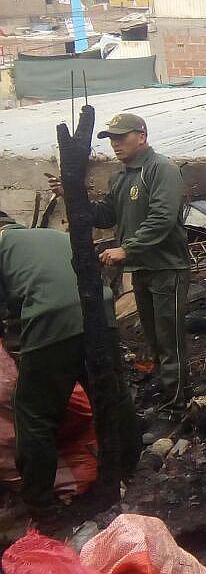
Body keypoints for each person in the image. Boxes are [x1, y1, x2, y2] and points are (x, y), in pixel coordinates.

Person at [48, 112, 190, 437]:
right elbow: (103, 215)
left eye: (121, 137)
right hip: (142, 268)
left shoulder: (161, 170)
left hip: (167, 267)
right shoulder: (121, 177)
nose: (115, 144)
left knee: (171, 343)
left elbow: (163, 218)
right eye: (111, 139)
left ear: (142, 135)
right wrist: (73, 194)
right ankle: (171, 397)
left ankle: (177, 412)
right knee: (155, 339)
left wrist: (128, 249)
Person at [0, 212, 126, 512]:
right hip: (101, 312)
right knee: (111, 398)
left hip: (52, 319)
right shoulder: (52, 235)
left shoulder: (2, 245)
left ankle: (42, 506)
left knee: (33, 415)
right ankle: (124, 472)